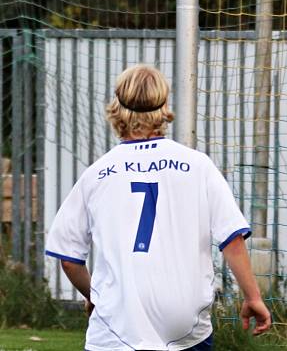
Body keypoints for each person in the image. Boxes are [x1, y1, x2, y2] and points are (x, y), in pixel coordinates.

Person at [45, 64, 271, 350]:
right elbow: (232, 239)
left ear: (116, 107)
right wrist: (253, 297)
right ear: (164, 106)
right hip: (185, 323)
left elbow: (68, 258)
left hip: (117, 324)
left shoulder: (97, 174)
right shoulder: (197, 165)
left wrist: (96, 295)